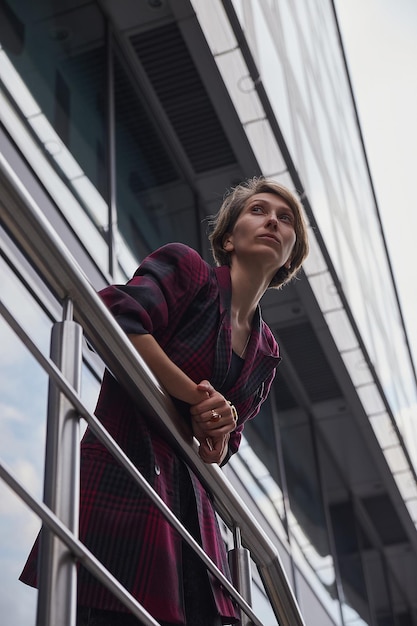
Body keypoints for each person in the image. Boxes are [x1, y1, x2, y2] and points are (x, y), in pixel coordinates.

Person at [20, 177, 309, 625]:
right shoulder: (188, 268)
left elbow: (227, 442)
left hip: (194, 522)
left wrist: (218, 437)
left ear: (290, 255)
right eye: (258, 210)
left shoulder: (266, 352)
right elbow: (117, 316)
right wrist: (195, 395)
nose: (272, 219)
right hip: (127, 476)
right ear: (229, 238)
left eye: (285, 218)